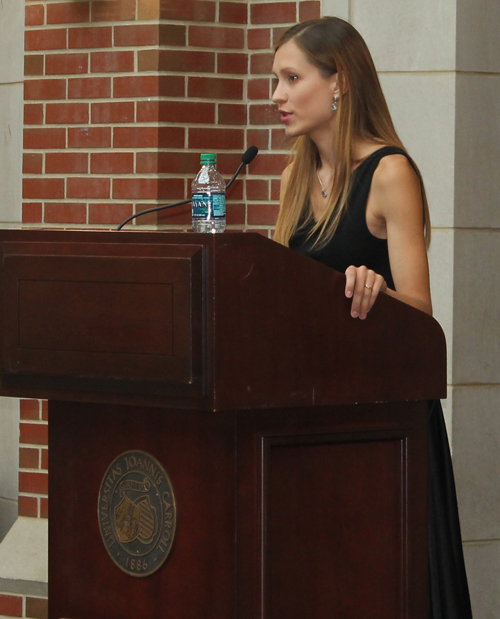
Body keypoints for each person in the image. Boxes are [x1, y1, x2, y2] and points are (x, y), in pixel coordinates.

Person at [272, 16, 473, 619]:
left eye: (289, 77)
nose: (274, 95)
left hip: (386, 427)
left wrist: (378, 292)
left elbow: (422, 314)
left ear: (339, 84)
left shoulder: (390, 173)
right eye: (273, 79)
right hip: (315, 419)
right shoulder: (293, 177)